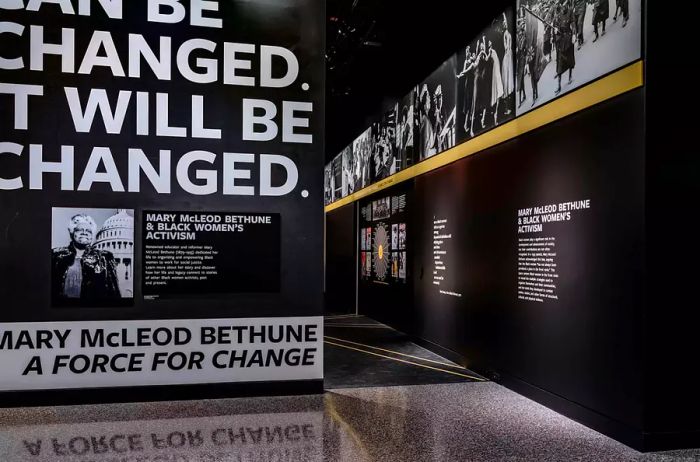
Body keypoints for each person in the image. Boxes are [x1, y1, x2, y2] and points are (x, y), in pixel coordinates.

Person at [52, 214, 121, 302]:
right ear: (73, 232)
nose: (84, 232)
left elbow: (113, 291)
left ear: (92, 235)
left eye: (88, 231)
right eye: (80, 230)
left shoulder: (105, 258)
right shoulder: (56, 256)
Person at [554, 0, 576, 94]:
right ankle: (559, 86)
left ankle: (570, 76)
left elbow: (573, 23)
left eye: (564, 5)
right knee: (559, 62)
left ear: (566, 4)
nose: (563, 8)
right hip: (561, 40)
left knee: (570, 58)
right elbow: (557, 26)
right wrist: (556, 30)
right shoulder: (558, 15)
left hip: (568, 38)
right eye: (561, 6)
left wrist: (574, 35)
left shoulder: (570, 11)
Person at [457, 46, 477, 136]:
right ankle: (467, 126)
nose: (467, 53)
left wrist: (460, 75)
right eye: (466, 52)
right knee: (469, 106)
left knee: (471, 106)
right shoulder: (466, 62)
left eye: (468, 52)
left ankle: (467, 125)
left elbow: (465, 71)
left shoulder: (473, 63)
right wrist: (461, 74)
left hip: (473, 84)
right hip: (468, 85)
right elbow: (464, 71)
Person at [488, 40, 504, 126]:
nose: (490, 43)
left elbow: (496, 61)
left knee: (499, 92)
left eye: (490, 42)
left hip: (497, 72)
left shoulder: (493, 50)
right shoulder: (490, 51)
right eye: (489, 43)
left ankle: (496, 114)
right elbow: (489, 60)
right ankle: (495, 115)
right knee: (497, 92)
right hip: (495, 73)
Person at [501, 14, 515, 114]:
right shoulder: (508, 34)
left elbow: (506, 47)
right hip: (509, 56)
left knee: (506, 80)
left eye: (505, 23)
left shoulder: (506, 34)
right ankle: (508, 107)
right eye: (504, 24)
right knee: (507, 80)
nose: (504, 24)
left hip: (508, 56)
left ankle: (508, 107)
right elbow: (507, 47)